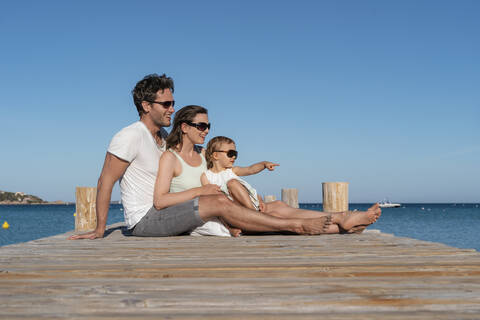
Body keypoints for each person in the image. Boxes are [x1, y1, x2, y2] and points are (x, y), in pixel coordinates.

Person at [69, 73, 338, 240]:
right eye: (166, 104)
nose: (172, 109)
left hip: (169, 211)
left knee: (244, 201)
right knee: (217, 202)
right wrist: (99, 228)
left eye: (173, 103)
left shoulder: (163, 139)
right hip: (145, 220)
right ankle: (296, 227)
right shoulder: (129, 136)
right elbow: (106, 181)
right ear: (145, 106)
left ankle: (334, 222)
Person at [203, 136, 381, 236]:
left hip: (257, 206)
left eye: (236, 153)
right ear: (215, 155)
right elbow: (218, 206)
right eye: (230, 153)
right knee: (233, 185)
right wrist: (231, 227)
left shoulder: (232, 170)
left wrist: (263, 164)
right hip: (245, 214)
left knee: (280, 205)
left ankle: (342, 222)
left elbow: (250, 169)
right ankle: (343, 221)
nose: (234, 156)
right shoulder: (209, 177)